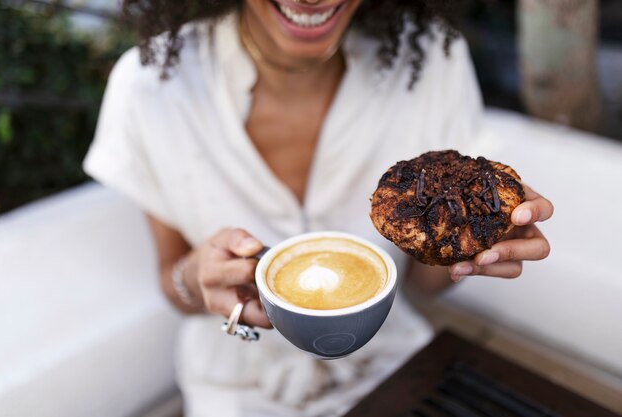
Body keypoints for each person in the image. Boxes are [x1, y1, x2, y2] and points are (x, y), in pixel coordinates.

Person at [84, 1, 554, 416]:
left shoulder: (431, 61)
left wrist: (474, 246)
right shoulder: (151, 86)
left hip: (390, 366)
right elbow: (174, 282)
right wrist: (193, 276)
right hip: (237, 387)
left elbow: (423, 287)